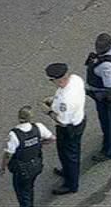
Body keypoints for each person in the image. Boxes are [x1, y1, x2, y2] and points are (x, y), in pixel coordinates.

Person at [44, 62, 87, 195]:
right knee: (70, 152)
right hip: (79, 119)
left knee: (69, 155)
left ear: (59, 79)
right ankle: (68, 171)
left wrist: (48, 112)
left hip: (69, 128)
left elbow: (62, 121)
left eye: (52, 80)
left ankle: (71, 184)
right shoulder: (75, 79)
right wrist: (53, 100)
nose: (52, 83)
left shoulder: (65, 101)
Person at [0, 106, 55, 207]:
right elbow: (52, 138)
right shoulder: (39, 127)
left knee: (22, 193)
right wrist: (40, 144)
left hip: (22, 169)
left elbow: (8, 154)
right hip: (36, 164)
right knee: (29, 187)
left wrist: (3, 167)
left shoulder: (14, 134)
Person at [85, 33, 111, 162]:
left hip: (107, 96)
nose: (97, 49)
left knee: (109, 123)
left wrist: (104, 98)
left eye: (100, 48)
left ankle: (110, 150)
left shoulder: (106, 67)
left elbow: (110, 87)